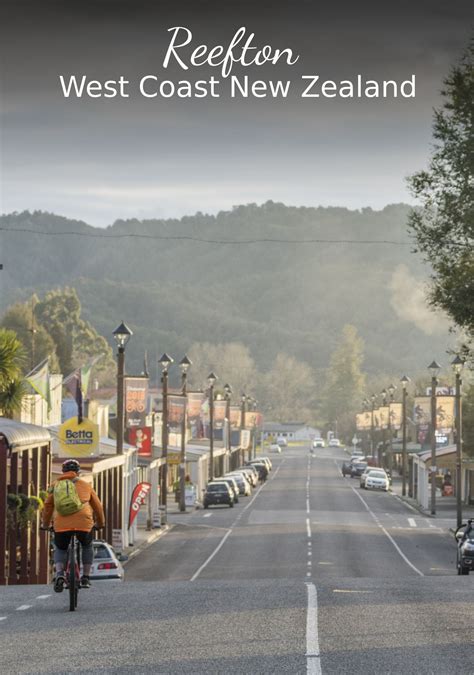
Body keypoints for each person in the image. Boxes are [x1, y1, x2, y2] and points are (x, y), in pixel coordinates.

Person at [42, 459, 105, 592]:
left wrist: (46, 524)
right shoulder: (86, 485)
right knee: (87, 546)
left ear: (63, 471)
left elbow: (48, 507)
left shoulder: (55, 485)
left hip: (61, 524)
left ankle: (59, 574)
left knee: (60, 548)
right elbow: (98, 507)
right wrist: (100, 523)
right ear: (78, 472)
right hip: (84, 523)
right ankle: (86, 577)